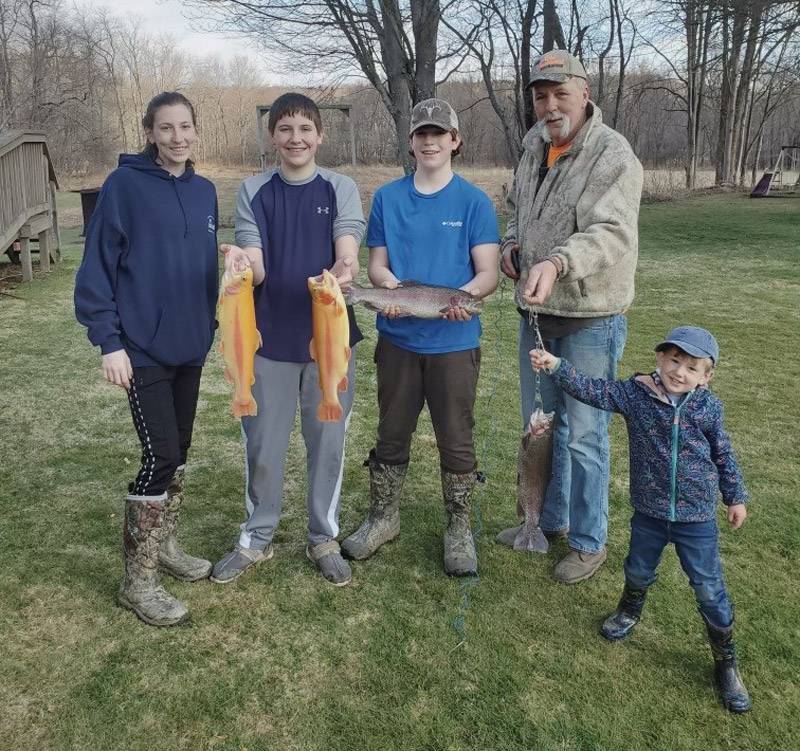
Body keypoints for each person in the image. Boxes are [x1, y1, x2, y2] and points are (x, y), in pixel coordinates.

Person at [530, 326, 751, 713]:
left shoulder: (707, 408)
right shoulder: (636, 395)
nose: (680, 372)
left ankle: (726, 662)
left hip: (695, 519)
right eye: (674, 360)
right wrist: (557, 366)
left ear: (706, 377)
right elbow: (594, 390)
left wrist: (735, 497)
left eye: (692, 367)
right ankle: (629, 609)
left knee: (708, 588)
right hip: (648, 513)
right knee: (637, 569)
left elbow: (724, 454)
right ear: (659, 358)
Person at [498, 50, 644, 584]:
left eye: (560, 93)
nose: (550, 105)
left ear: (585, 92)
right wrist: (513, 246)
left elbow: (612, 232)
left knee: (585, 435)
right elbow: (518, 208)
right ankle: (547, 523)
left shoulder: (613, 154)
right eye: (540, 95)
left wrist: (557, 263)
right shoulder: (535, 144)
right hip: (537, 316)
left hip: (589, 318)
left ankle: (588, 541)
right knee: (541, 429)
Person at [74, 92, 219, 627]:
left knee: (179, 449)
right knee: (159, 455)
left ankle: (165, 546)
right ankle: (138, 582)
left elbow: (198, 266)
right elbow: (96, 271)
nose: (177, 137)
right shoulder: (124, 187)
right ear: (150, 133)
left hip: (191, 346)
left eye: (185, 126)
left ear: (196, 130)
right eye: (166, 128)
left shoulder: (205, 192)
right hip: (141, 350)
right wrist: (109, 341)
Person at [210, 93, 365, 587]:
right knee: (263, 445)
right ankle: (257, 537)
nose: (295, 139)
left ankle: (323, 536)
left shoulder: (341, 187)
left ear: (320, 135)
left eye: (304, 129)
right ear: (272, 136)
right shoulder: (253, 190)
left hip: (330, 339)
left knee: (328, 442)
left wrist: (346, 267)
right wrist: (239, 265)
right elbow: (256, 268)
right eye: (285, 130)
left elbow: (347, 244)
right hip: (268, 340)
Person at [340, 98, 499, 576]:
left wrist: (463, 298)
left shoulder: (474, 201)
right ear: (411, 142)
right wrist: (383, 289)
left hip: (454, 346)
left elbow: (488, 273)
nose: (430, 141)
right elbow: (377, 265)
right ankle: (383, 518)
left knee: (456, 440)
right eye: (421, 134)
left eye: (439, 134)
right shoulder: (389, 197)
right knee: (391, 434)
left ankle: (459, 528)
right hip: (398, 340)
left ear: (455, 141)